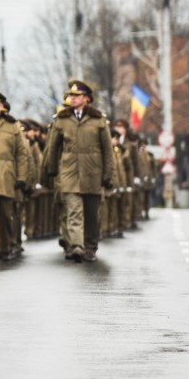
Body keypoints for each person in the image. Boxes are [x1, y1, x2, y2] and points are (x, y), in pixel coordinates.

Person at [41, 80, 117, 262]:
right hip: (69, 172)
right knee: (73, 211)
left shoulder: (98, 121)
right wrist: (51, 169)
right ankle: (76, 246)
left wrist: (108, 175)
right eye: (71, 96)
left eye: (76, 96)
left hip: (93, 173)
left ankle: (90, 246)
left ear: (86, 99)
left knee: (92, 214)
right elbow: (53, 147)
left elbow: (108, 151)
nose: (72, 98)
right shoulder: (62, 120)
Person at [0, 90, 33, 261]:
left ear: (1, 106)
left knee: (6, 215)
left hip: (7, 175)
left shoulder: (13, 126)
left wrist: (22, 178)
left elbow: (22, 155)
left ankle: (7, 245)